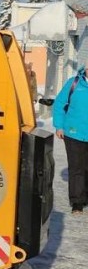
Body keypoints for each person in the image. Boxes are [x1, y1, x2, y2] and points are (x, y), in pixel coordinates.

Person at [53, 67, 88, 214]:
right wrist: (59, 126)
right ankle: (77, 202)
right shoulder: (73, 83)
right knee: (76, 168)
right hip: (74, 133)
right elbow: (59, 104)